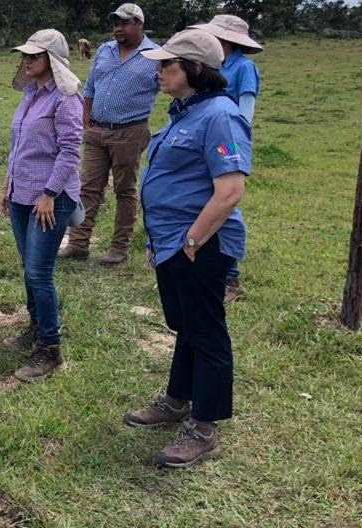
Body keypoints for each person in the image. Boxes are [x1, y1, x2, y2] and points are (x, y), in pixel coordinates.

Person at [124, 29, 250, 468]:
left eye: (167, 65)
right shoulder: (184, 113)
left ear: (194, 69)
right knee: (188, 324)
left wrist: (193, 240)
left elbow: (230, 190)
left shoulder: (219, 115)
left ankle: (204, 427)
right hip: (173, 243)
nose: (158, 72)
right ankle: (178, 398)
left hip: (200, 244)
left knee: (207, 331)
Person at [0, 29, 84, 381]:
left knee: (39, 271)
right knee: (27, 266)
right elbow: (18, 144)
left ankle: (51, 350)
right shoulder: (31, 94)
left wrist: (49, 194)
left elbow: (69, 151)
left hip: (50, 199)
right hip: (22, 195)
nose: (26, 61)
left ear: (51, 60)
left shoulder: (66, 98)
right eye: (25, 56)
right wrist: (8, 183)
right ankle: (35, 328)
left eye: (34, 56)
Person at [59, 3, 159, 264]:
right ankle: (78, 243)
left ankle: (119, 247)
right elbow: (90, 86)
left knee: (125, 190)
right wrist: (86, 124)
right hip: (96, 130)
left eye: (124, 23)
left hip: (130, 131)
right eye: (116, 23)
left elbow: (169, 84)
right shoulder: (105, 50)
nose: (118, 28)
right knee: (88, 188)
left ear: (139, 23)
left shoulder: (156, 55)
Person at [191, 15, 262, 302]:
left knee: (225, 204)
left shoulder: (244, 67)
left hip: (226, 141)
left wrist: (233, 143)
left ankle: (231, 278)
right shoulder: (217, 65)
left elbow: (245, 110)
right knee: (203, 200)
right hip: (206, 139)